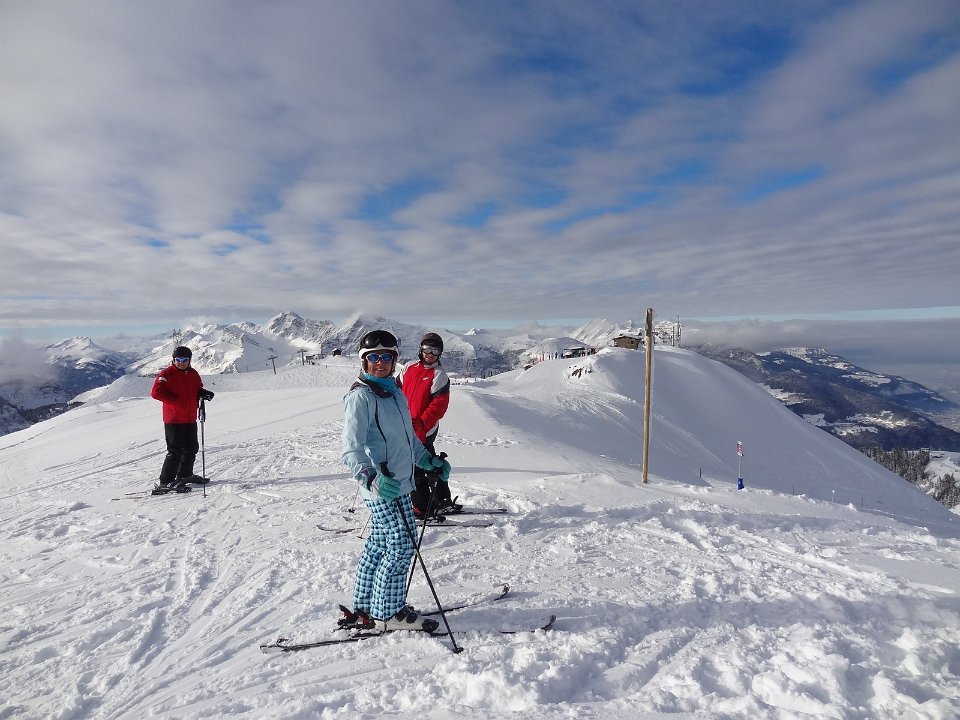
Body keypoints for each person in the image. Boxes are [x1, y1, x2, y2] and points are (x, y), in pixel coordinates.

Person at [340, 330, 451, 632]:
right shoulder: (361, 397)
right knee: (401, 544)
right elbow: (350, 449)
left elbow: (408, 439)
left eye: (386, 357)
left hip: (401, 483)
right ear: (364, 361)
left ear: (394, 360)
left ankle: (367, 604)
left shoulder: (395, 394)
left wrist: (427, 460)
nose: (380, 362)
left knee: (380, 544)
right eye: (373, 357)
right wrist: (370, 477)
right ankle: (389, 612)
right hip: (383, 486)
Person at [397, 332, 455, 518]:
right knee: (430, 464)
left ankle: (422, 507)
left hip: (424, 430)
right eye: (427, 349)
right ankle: (442, 499)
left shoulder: (439, 375)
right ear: (420, 350)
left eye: (435, 351)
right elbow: (396, 390)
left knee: (415, 468)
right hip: (405, 427)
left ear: (440, 353)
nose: (430, 354)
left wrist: (421, 424)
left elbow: (438, 407)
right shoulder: (409, 367)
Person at [150, 346, 214, 493]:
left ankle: (185, 475)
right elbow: (156, 392)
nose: (181, 362)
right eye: (178, 359)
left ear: (189, 360)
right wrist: (175, 401)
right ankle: (165, 481)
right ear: (173, 360)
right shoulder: (166, 374)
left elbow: (196, 389)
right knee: (175, 451)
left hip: (190, 417)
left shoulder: (193, 373)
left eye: (184, 359)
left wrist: (204, 393)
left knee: (191, 448)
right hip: (174, 419)